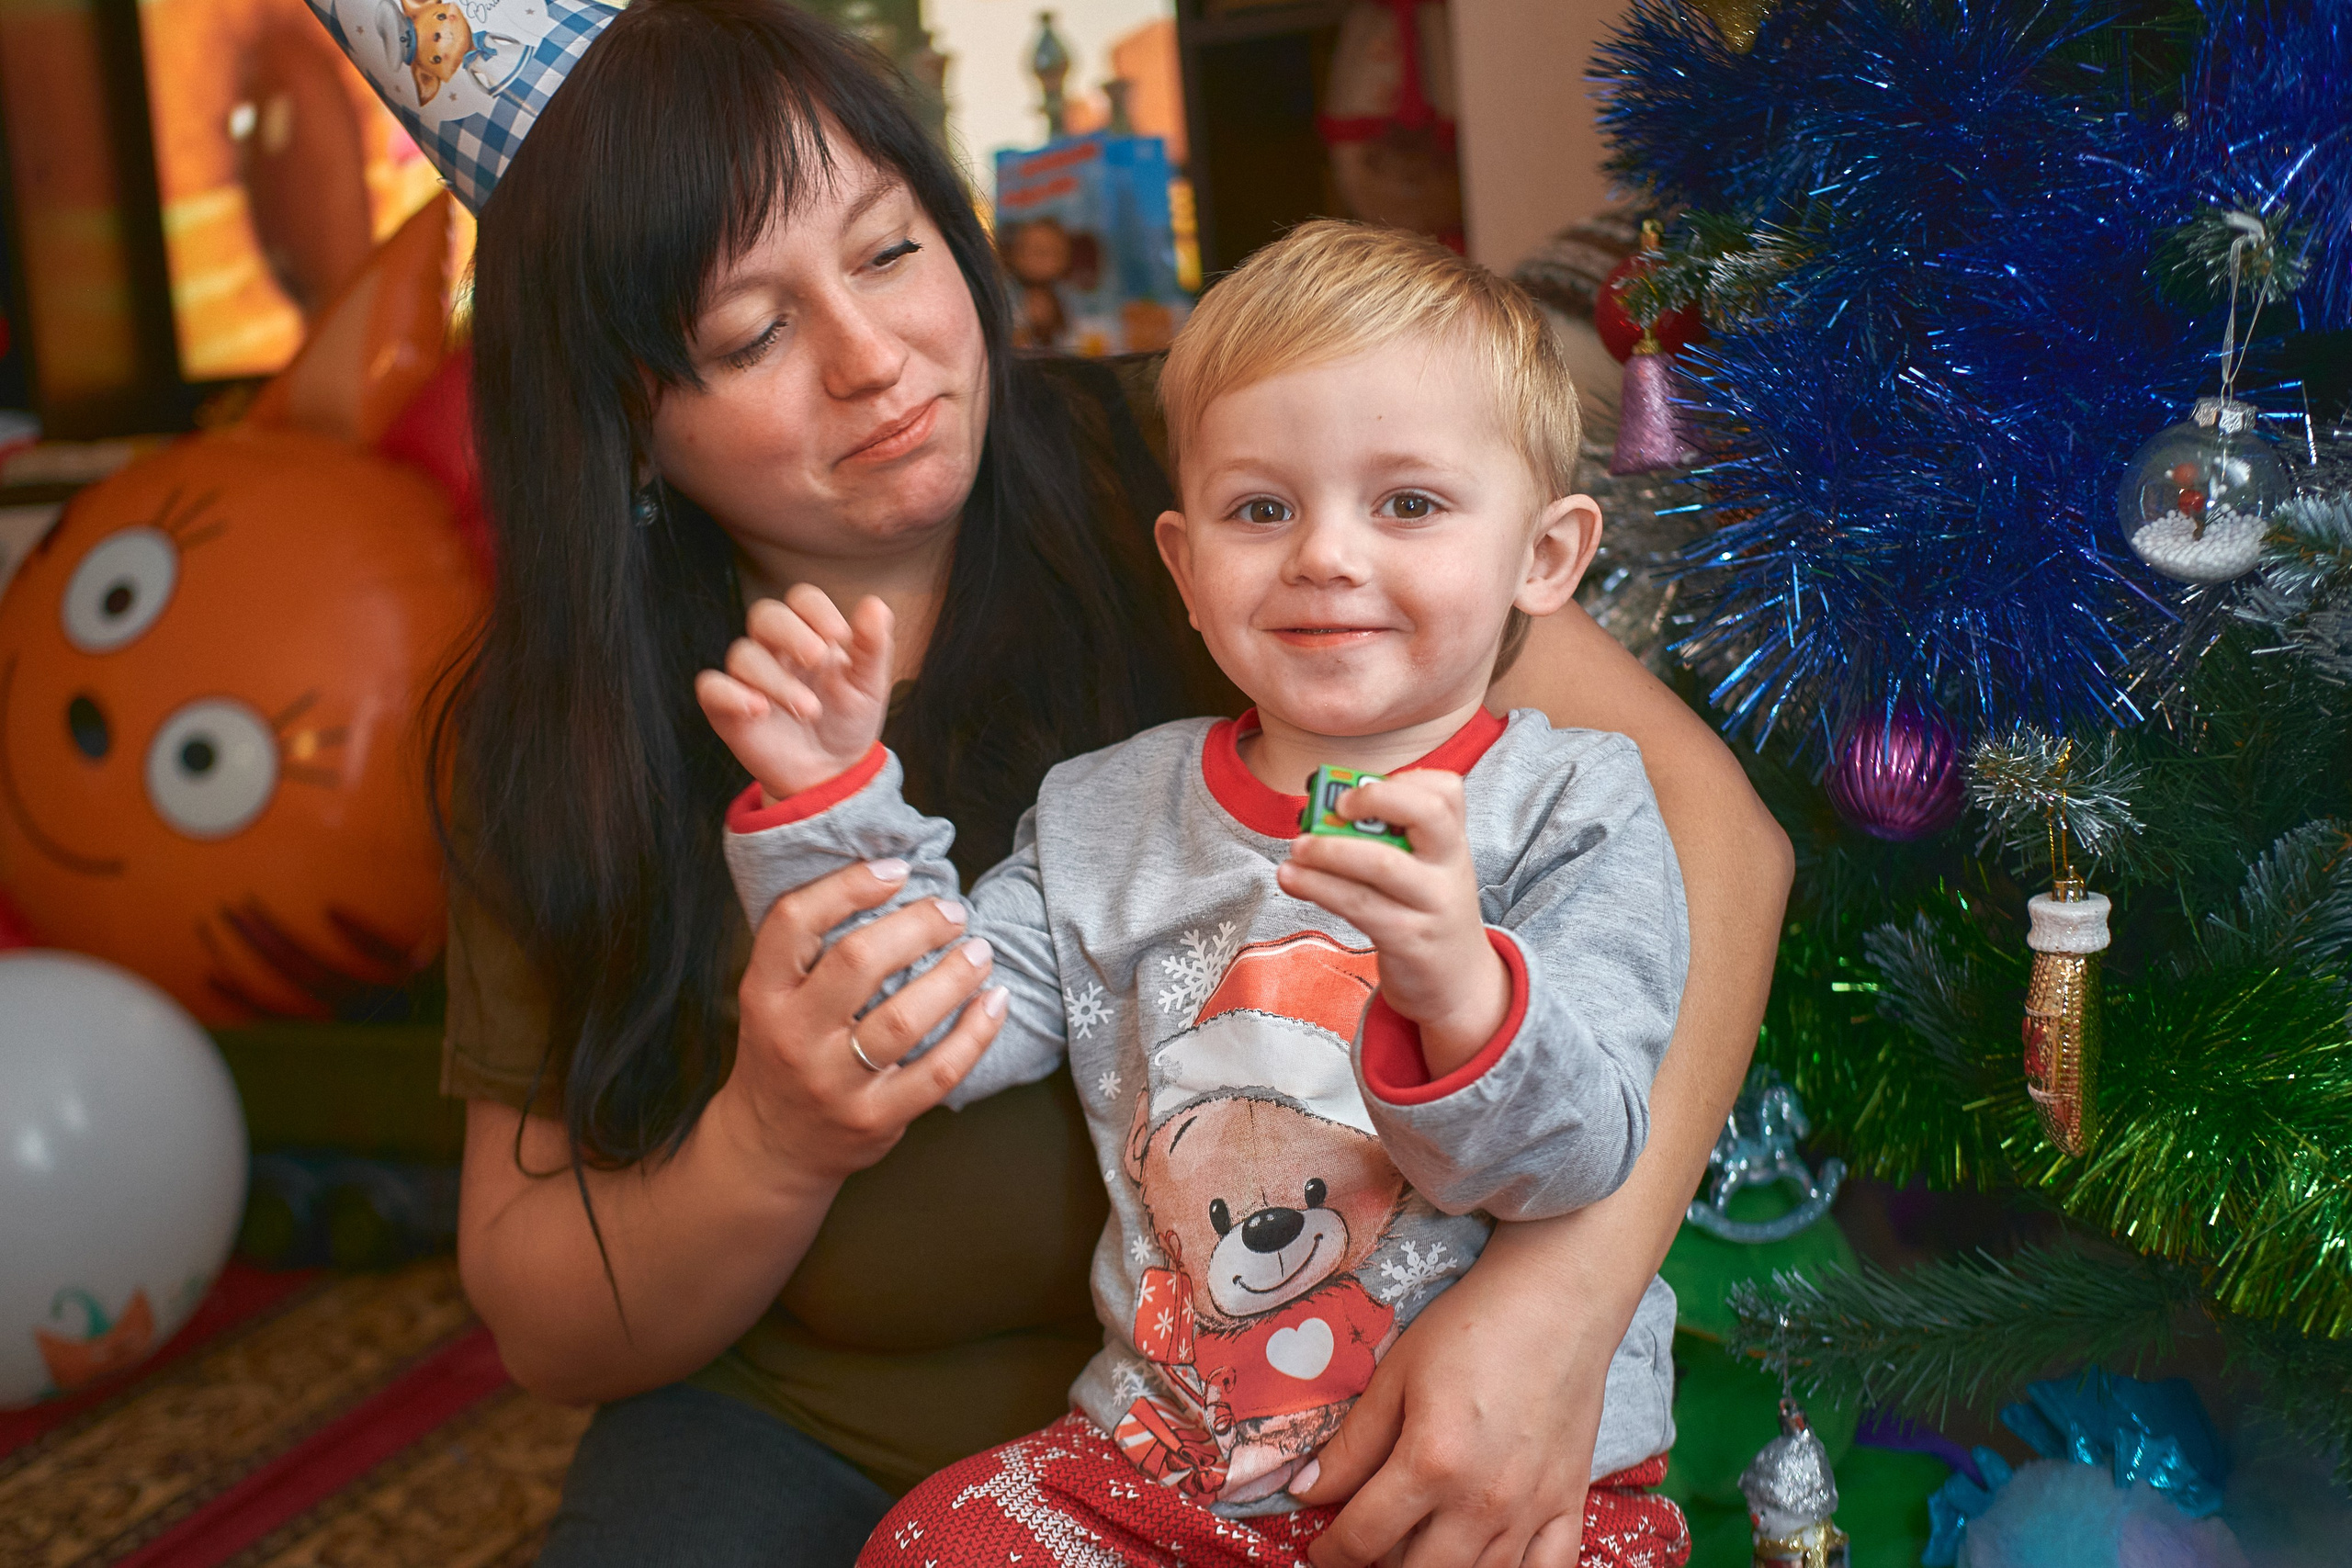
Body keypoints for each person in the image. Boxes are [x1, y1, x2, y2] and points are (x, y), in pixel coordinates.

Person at [300, 0, 1798, 1562]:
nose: (873, 359)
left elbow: (1710, 837)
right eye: (752, 333)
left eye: (888, 252)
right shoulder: (566, 733)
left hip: (1350, 1394)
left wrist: (1558, 1309)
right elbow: (551, 1318)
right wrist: (774, 1136)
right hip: (852, 1444)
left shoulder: (1235, 475)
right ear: (622, 411)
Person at [699, 220, 1691, 1566]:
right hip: (1165, 1474)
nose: (1325, 555)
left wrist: (1459, 992)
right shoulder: (1107, 814)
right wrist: (829, 804)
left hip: (1499, 1491)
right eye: (1261, 509)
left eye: (1407, 504)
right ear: (1184, 564)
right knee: (926, 1544)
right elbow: (919, 1027)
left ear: (1546, 556)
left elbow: (1578, 1159)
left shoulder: (1581, 805)